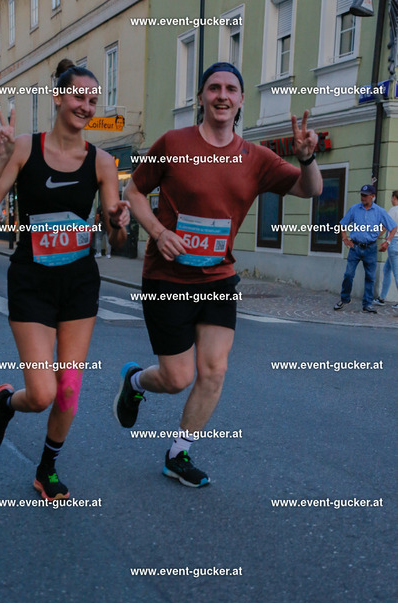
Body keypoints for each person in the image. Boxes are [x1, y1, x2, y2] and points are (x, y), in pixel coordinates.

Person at [113, 61, 323, 487]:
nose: (222, 95)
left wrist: (307, 159)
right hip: (167, 278)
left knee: (214, 371)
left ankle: (178, 454)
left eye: (230, 89)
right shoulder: (174, 143)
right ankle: (135, 380)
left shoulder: (256, 158)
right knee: (177, 378)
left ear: (241, 100)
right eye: (213, 88)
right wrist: (158, 231)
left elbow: (310, 188)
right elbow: (133, 191)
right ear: (201, 98)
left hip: (218, 278)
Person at [0, 59, 129, 500]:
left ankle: (47, 468)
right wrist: (2, 157)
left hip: (79, 284)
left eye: (93, 100)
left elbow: (117, 240)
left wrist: (119, 223)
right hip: (32, 283)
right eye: (79, 96)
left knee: (68, 389)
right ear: (59, 97)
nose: (86, 106)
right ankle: (8, 402)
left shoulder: (102, 162)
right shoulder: (25, 148)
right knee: (41, 393)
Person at [334, 184, 397, 314]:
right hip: (355, 247)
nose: (362, 197)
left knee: (370, 277)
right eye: (362, 195)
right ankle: (345, 299)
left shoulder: (379, 211)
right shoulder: (354, 209)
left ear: (372, 196)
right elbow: (342, 224)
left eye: (365, 195)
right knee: (348, 274)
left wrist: (387, 242)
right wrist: (345, 239)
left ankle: (367, 304)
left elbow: (393, 227)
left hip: (371, 249)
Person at [373, 190, 398, 309]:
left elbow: (385, 226)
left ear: (394, 198)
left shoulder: (393, 210)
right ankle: (382, 298)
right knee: (387, 269)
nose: (391, 200)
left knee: (396, 273)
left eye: (392, 197)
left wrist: (375, 236)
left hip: (394, 242)